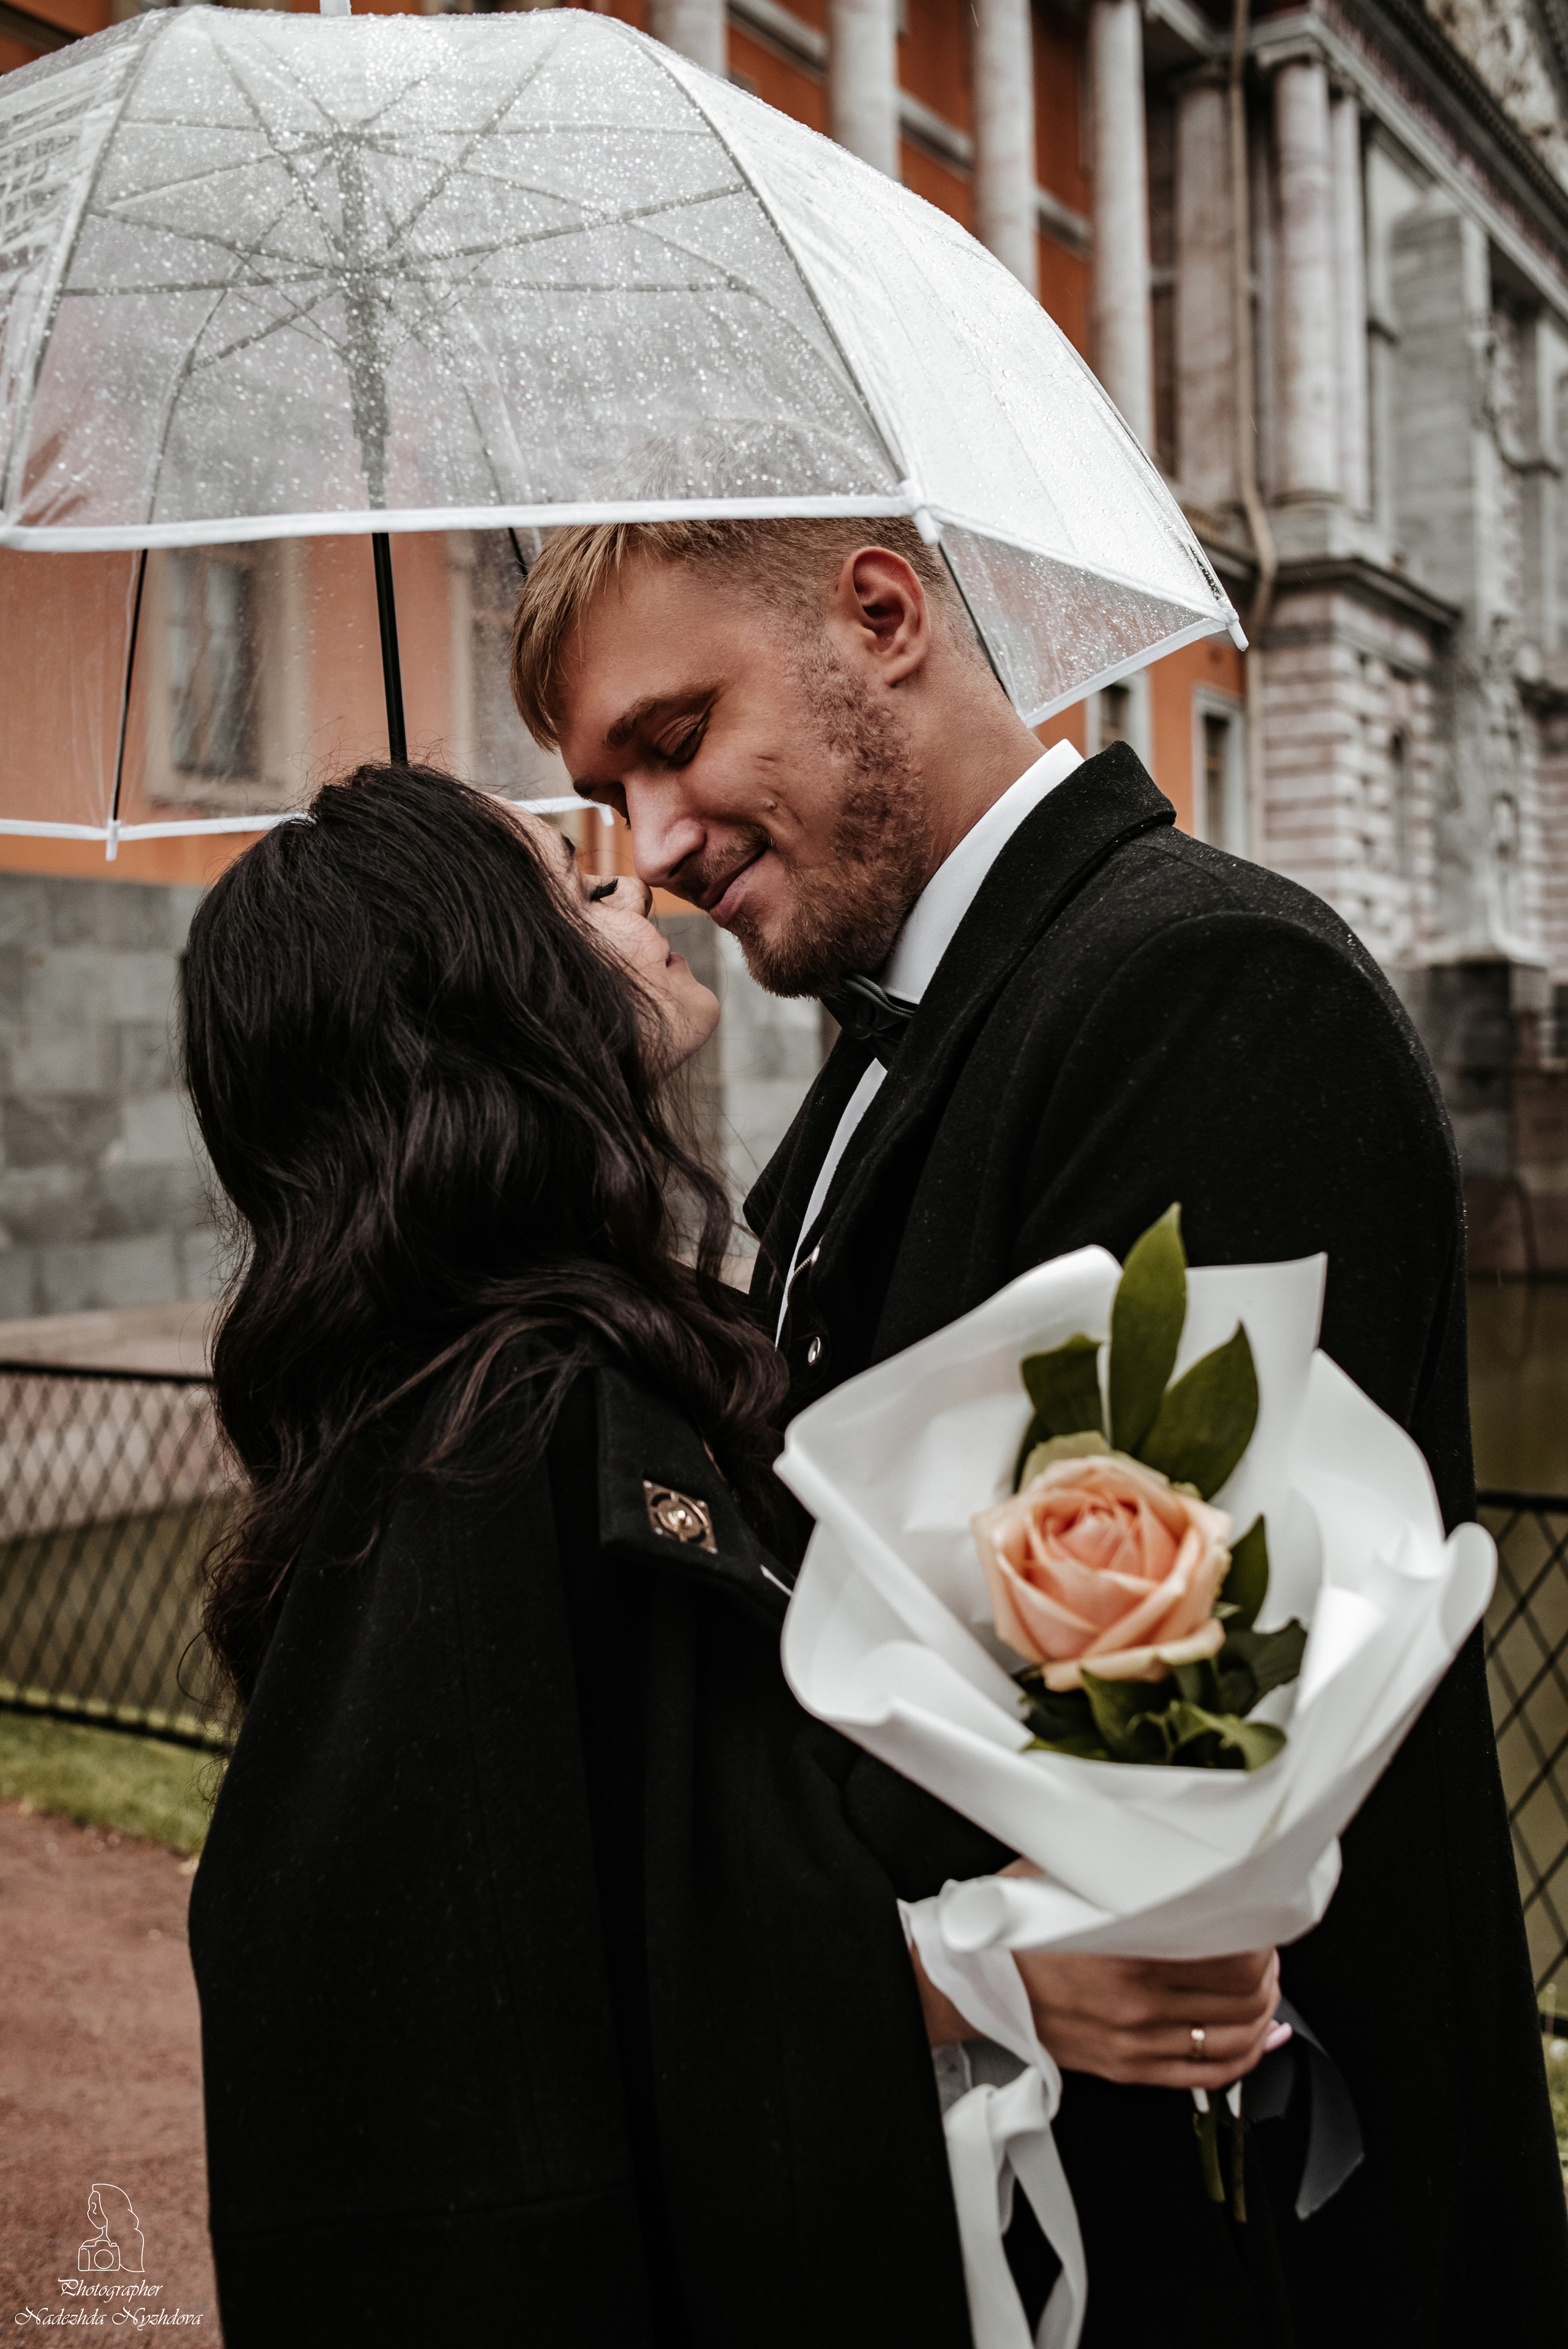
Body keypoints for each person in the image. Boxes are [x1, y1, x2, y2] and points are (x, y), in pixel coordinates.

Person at [510, 516, 1568, 2347]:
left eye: (675, 737)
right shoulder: (877, 1050)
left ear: (884, 612)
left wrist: (703, 1933)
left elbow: (1170, 1753)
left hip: (1238, 2237)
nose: (657, 846)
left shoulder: (1209, 988)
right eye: (613, 788)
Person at [192, 760, 1249, 2348]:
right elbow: (493, 2060)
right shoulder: (478, 1443)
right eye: (568, 883)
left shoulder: (527, 1386)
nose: (638, 884)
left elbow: (651, 1866)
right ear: (474, 995)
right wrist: (981, 1981)